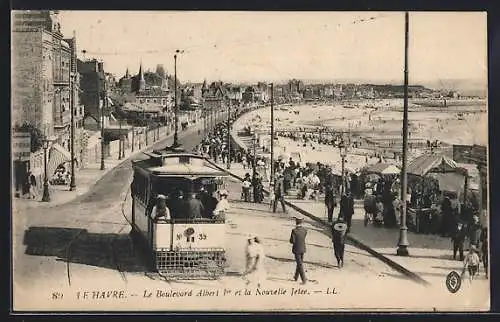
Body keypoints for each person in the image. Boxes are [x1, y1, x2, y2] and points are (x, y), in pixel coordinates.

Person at [289, 217, 307, 284]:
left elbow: (292, 241)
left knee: (299, 264)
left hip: (296, 249)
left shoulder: (294, 230)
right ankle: (296, 277)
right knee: (299, 263)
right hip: (303, 248)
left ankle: (304, 280)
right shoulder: (305, 230)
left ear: (296, 222)